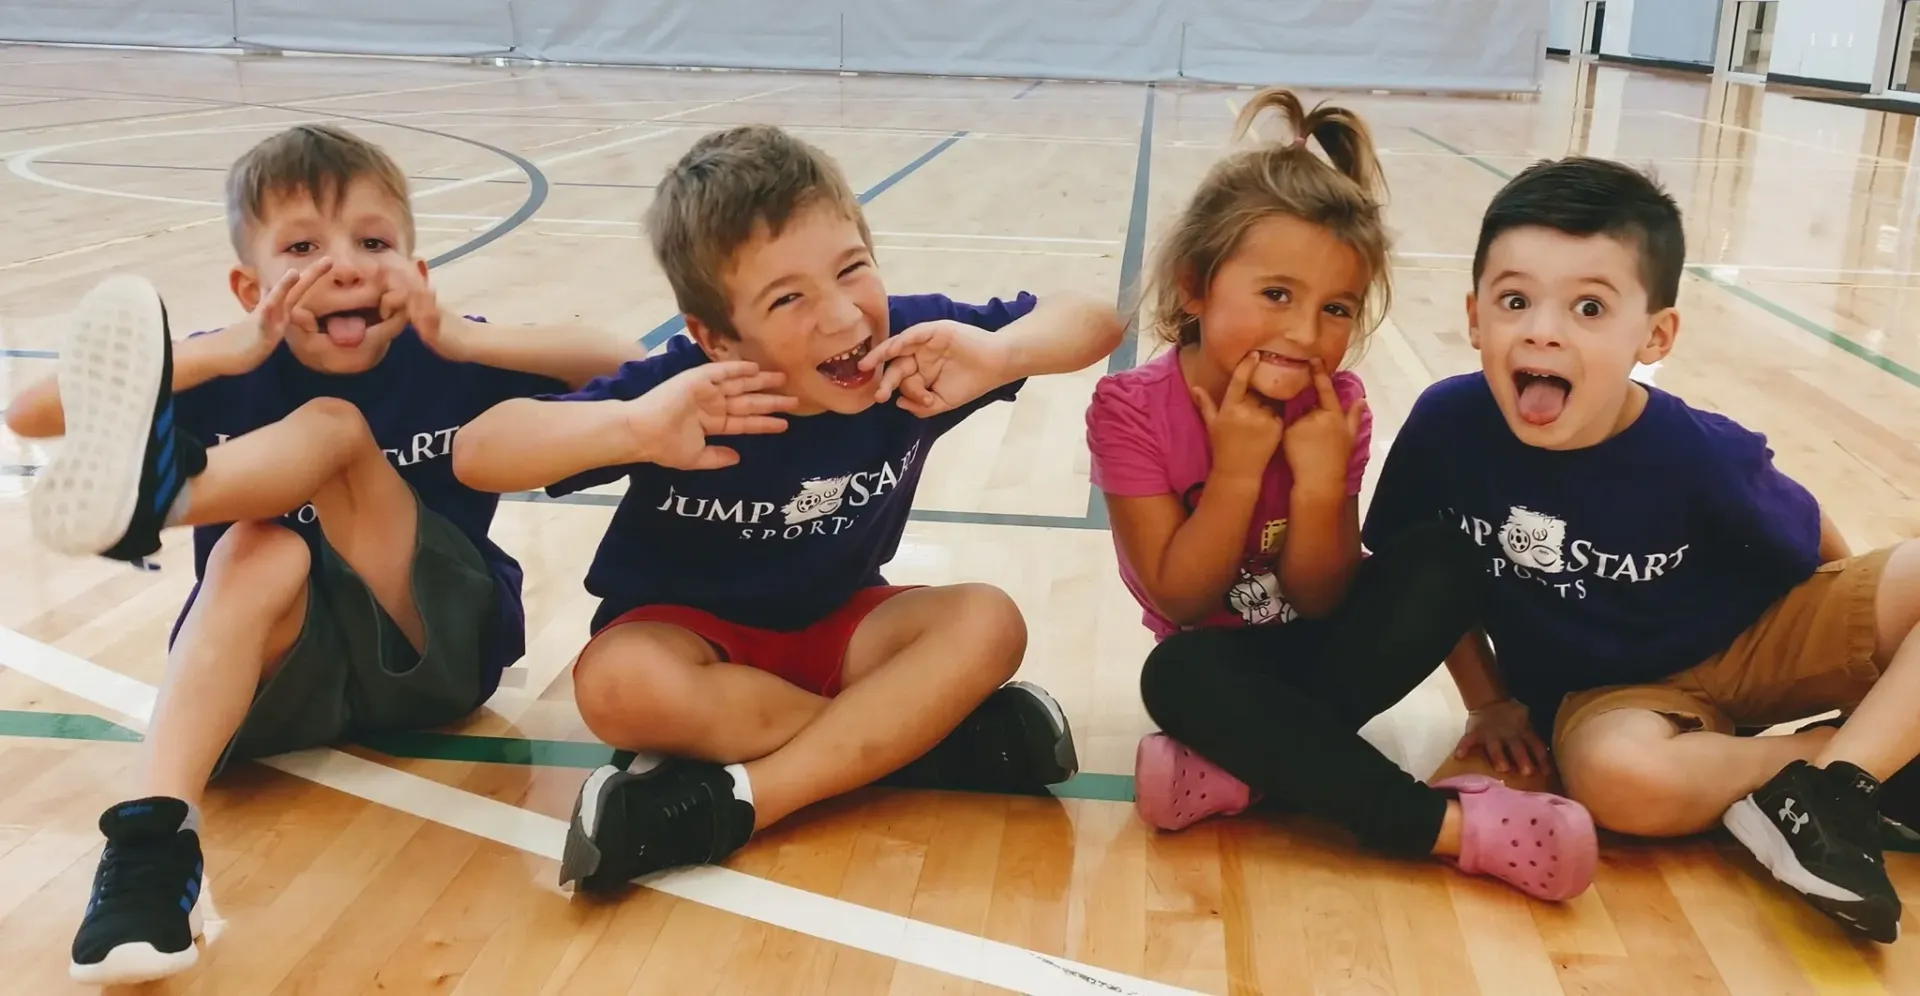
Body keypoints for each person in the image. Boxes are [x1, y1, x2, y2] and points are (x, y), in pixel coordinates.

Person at [6, 124, 647, 984]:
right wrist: (224, 351)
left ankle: (157, 501)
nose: (344, 264)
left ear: (417, 274)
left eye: (373, 242)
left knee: (334, 431)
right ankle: (153, 846)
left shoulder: (446, 356)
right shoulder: (228, 368)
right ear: (251, 287)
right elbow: (30, 415)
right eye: (303, 247)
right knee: (259, 548)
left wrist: (466, 337)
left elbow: (627, 363)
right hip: (282, 680)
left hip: (437, 648)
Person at [453, 123, 1123, 892]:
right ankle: (916, 742)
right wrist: (632, 426)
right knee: (616, 686)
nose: (840, 316)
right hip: (687, 639)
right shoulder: (686, 391)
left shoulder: (914, 347)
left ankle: (739, 804)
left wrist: (1004, 354)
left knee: (989, 621)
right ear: (717, 339)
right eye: (788, 298)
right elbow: (479, 452)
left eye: (852, 270)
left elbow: (1094, 317)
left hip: (844, 625)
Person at [1363, 155, 1920, 942]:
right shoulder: (1447, 428)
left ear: (1654, 334)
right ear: (1475, 317)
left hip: (1754, 645)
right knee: (1621, 785)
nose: (1544, 329)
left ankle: (1840, 780)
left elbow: (1820, 541)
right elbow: (1417, 574)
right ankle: (1846, 771)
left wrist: (1868, 669)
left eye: (1589, 307)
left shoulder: (1696, 452)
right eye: (1516, 300)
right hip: (1609, 700)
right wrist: (1488, 699)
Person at [1084, 87, 1597, 903]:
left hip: (1324, 653)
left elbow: (1321, 598)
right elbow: (1179, 598)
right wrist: (1240, 469)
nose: (1304, 332)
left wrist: (1321, 482)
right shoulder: (1131, 409)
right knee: (1176, 675)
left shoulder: (1339, 406)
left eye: (1336, 309)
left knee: (1440, 558)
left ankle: (1243, 768)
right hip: (1219, 664)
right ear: (1195, 287)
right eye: (1276, 295)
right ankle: (1440, 827)